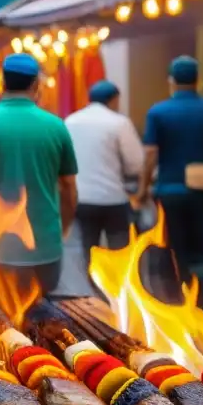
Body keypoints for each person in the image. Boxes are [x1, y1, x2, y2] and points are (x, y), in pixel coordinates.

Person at [0, 54, 77, 295]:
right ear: (35, 85)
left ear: (2, 83)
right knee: (43, 322)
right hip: (44, 247)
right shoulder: (56, 126)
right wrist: (61, 230)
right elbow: (69, 188)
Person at [138, 55, 203, 327]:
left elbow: (150, 155)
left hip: (170, 192)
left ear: (171, 82)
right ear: (199, 80)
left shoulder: (158, 112)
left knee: (176, 250)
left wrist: (143, 188)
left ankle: (181, 308)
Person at [65, 80, 144, 267]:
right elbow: (136, 164)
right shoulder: (119, 123)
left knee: (87, 251)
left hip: (81, 199)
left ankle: (92, 291)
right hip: (113, 200)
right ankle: (116, 294)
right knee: (120, 255)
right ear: (114, 100)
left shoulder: (70, 121)